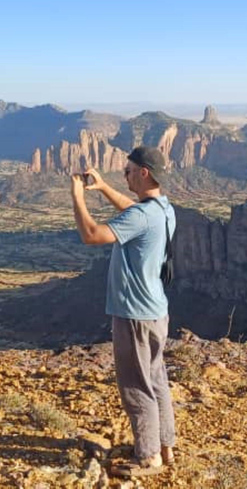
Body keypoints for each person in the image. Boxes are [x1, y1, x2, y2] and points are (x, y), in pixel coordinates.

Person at [70, 147, 176, 477]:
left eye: (129, 170)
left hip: (134, 315)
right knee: (156, 379)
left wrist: (78, 195)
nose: (125, 175)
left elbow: (91, 235)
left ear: (144, 172)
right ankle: (164, 446)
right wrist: (102, 188)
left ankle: (147, 457)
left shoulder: (143, 216)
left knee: (135, 384)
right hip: (156, 312)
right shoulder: (163, 209)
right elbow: (134, 210)